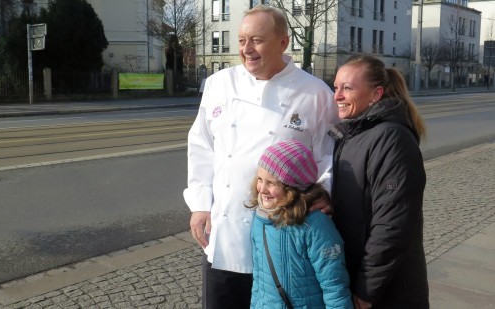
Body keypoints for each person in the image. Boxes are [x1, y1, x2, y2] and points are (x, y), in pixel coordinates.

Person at [183, 4, 339, 308]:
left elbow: (328, 158)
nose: (247, 49)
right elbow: (201, 145)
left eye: (257, 40)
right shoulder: (219, 84)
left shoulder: (315, 93)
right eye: (242, 41)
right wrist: (200, 205)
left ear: (283, 43)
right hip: (224, 235)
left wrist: (326, 194)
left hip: (282, 238)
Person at [331, 54, 429, 309]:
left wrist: (367, 288)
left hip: (389, 290)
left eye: (348, 88)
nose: (337, 96)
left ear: (376, 94)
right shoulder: (353, 133)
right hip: (358, 275)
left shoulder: (392, 139)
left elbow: (393, 225)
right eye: (336, 87)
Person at [246, 139, 353, 308]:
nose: (262, 189)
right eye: (260, 179)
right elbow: (259, 278)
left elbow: (334, 286)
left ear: (292, 186)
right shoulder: (260, 219)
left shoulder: (316, 224)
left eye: (272, 183)